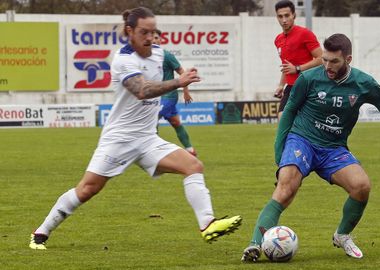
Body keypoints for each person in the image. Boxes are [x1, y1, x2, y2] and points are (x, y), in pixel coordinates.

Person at [29, 7, 242, 250]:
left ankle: (207, 224)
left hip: (148, 139)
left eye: (153, 32)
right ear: (129, 31)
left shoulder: (159, 54)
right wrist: (178, 82)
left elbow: (174, 70)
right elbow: (142, 91)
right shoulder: (123, 59)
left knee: (193, 166)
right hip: (119, 139)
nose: (150, 38)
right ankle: (41, 232)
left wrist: (185, 79)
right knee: (87, 189)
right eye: (144, 32)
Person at [241, 33, 380, 262]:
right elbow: (290, 110)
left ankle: (342, 235)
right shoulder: (309, 78)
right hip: (302, 139)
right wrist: (279, 148)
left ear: (348, 59)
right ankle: (255, 244)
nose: (327, 66)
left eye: (334, 61)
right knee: (286, 187)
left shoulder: (364, 84)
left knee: (361, 186)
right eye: (324, 59)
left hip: (333, 148)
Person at [273, 0, 323, 118]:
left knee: (304, 124)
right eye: (280, 16)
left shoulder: (305, 34)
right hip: (290, 87)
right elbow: (286, 67)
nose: (284, 20)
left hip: (308, 86)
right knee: (282, 118)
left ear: (294, 15)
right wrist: (281, 85)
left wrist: (298, 68)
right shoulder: (278, 39)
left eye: (287, 15)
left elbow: (321, 58)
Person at [153, 29, 197, 156]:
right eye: (153, 38)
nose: (155, 40)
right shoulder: (147, 58)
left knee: (151, 119)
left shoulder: (167, 56)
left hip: (169, 96)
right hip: (155, 96)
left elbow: (183, 73)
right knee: (176, 123)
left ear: (161, 40)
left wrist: (186, 91)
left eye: (157, 38)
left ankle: (152, 152)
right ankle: (190, 150)